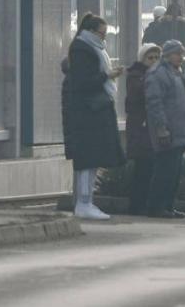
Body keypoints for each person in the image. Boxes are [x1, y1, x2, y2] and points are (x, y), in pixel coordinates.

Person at [62, 13, 124, 221]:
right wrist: (108, 75)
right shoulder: (83, 50)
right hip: (88, 113)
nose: (104, 38)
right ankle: (84, 202)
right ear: (90, 31)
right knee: (87, 160)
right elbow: (84, 83)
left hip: (93, 111)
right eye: (101, 33)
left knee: (92, 160)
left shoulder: (91, 48)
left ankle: (87, 201)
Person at [144, 39, 185, 219]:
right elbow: (155, 103)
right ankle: (157, 207)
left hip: (178, 131)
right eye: (178, 54)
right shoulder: (158, 74)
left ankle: (168, 206)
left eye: (182, 54)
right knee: (165, 171)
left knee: (174, 172)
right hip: (168, 132)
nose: (181, 57)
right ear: (168, 55)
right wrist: (162, 128)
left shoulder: (174, 72)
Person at [124, 42, 162, 216]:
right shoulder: (136, 76)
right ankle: (136, 204)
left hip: (150, 128)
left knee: (151, 167)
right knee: (142, 167)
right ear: (143, 59)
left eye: (156, 58)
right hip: (141, 128)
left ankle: (145, 202)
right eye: (150, 58)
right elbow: (138, 96)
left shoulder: (156, 75)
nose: (153, 61)